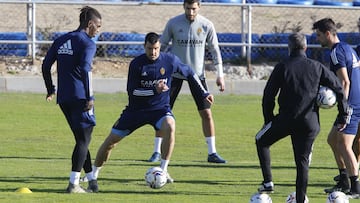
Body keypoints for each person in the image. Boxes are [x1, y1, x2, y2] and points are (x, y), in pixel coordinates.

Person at [91, 32, 213, 188]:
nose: (153, 52)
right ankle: (93, 175)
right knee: (111, 142)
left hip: (160, 110)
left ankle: (162, 170)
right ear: (144, 47)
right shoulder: (136, 64)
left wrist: (204, 92)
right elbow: (133, 91)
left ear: (160, 46)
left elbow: (190, 73)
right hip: (135, 111)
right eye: (149, 48)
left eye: (155, 48)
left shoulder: (169, 60)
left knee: (170, 125)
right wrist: (155, 90)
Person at [255, 33, 350, 203]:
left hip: (285, 120)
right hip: (310, 123)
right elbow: (340, 89)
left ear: (289, 48)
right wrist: (342, 115)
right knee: (302, 163)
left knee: (261, 140)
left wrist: (269, 120)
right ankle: (300, 200)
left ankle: (268, 181)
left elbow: (268, 96)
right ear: (305, 47)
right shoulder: (317, 66)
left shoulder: (282, 67)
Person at [147, 0, 226, 164]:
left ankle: (212, 152)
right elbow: (161, 46)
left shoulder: (206, 25)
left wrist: (220, 75)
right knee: (162, 112)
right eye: (188, 8)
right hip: (174, 74)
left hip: (197, 75)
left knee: (206, 113)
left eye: (194, 9)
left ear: (199, 7)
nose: (191, 12)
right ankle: (156, 151)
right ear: (183, 6)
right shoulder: (174, 23)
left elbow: (215, 49)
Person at [41, 6, 102, 193]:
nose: (99, 30)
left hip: (64, 98)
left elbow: (45, 65)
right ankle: (73, 184)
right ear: (90, 24)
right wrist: (89, 96)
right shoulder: (87, 43)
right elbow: (86, 69)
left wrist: (51, 89)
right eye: (98, 26)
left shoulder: (61, 39)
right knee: (84, 140)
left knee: (81, 140)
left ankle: (92, 181)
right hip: (81, 97)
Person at [313, 18, 360, 197]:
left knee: (345, 145)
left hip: (351, 105)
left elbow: (345, 82)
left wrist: (343, 109)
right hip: (355, 103)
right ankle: (343, 180)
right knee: (333, 140)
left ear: (327, 34)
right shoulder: (348, 48)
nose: (317, 39)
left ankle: (355, 188)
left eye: (318, 35)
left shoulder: (335, 53)